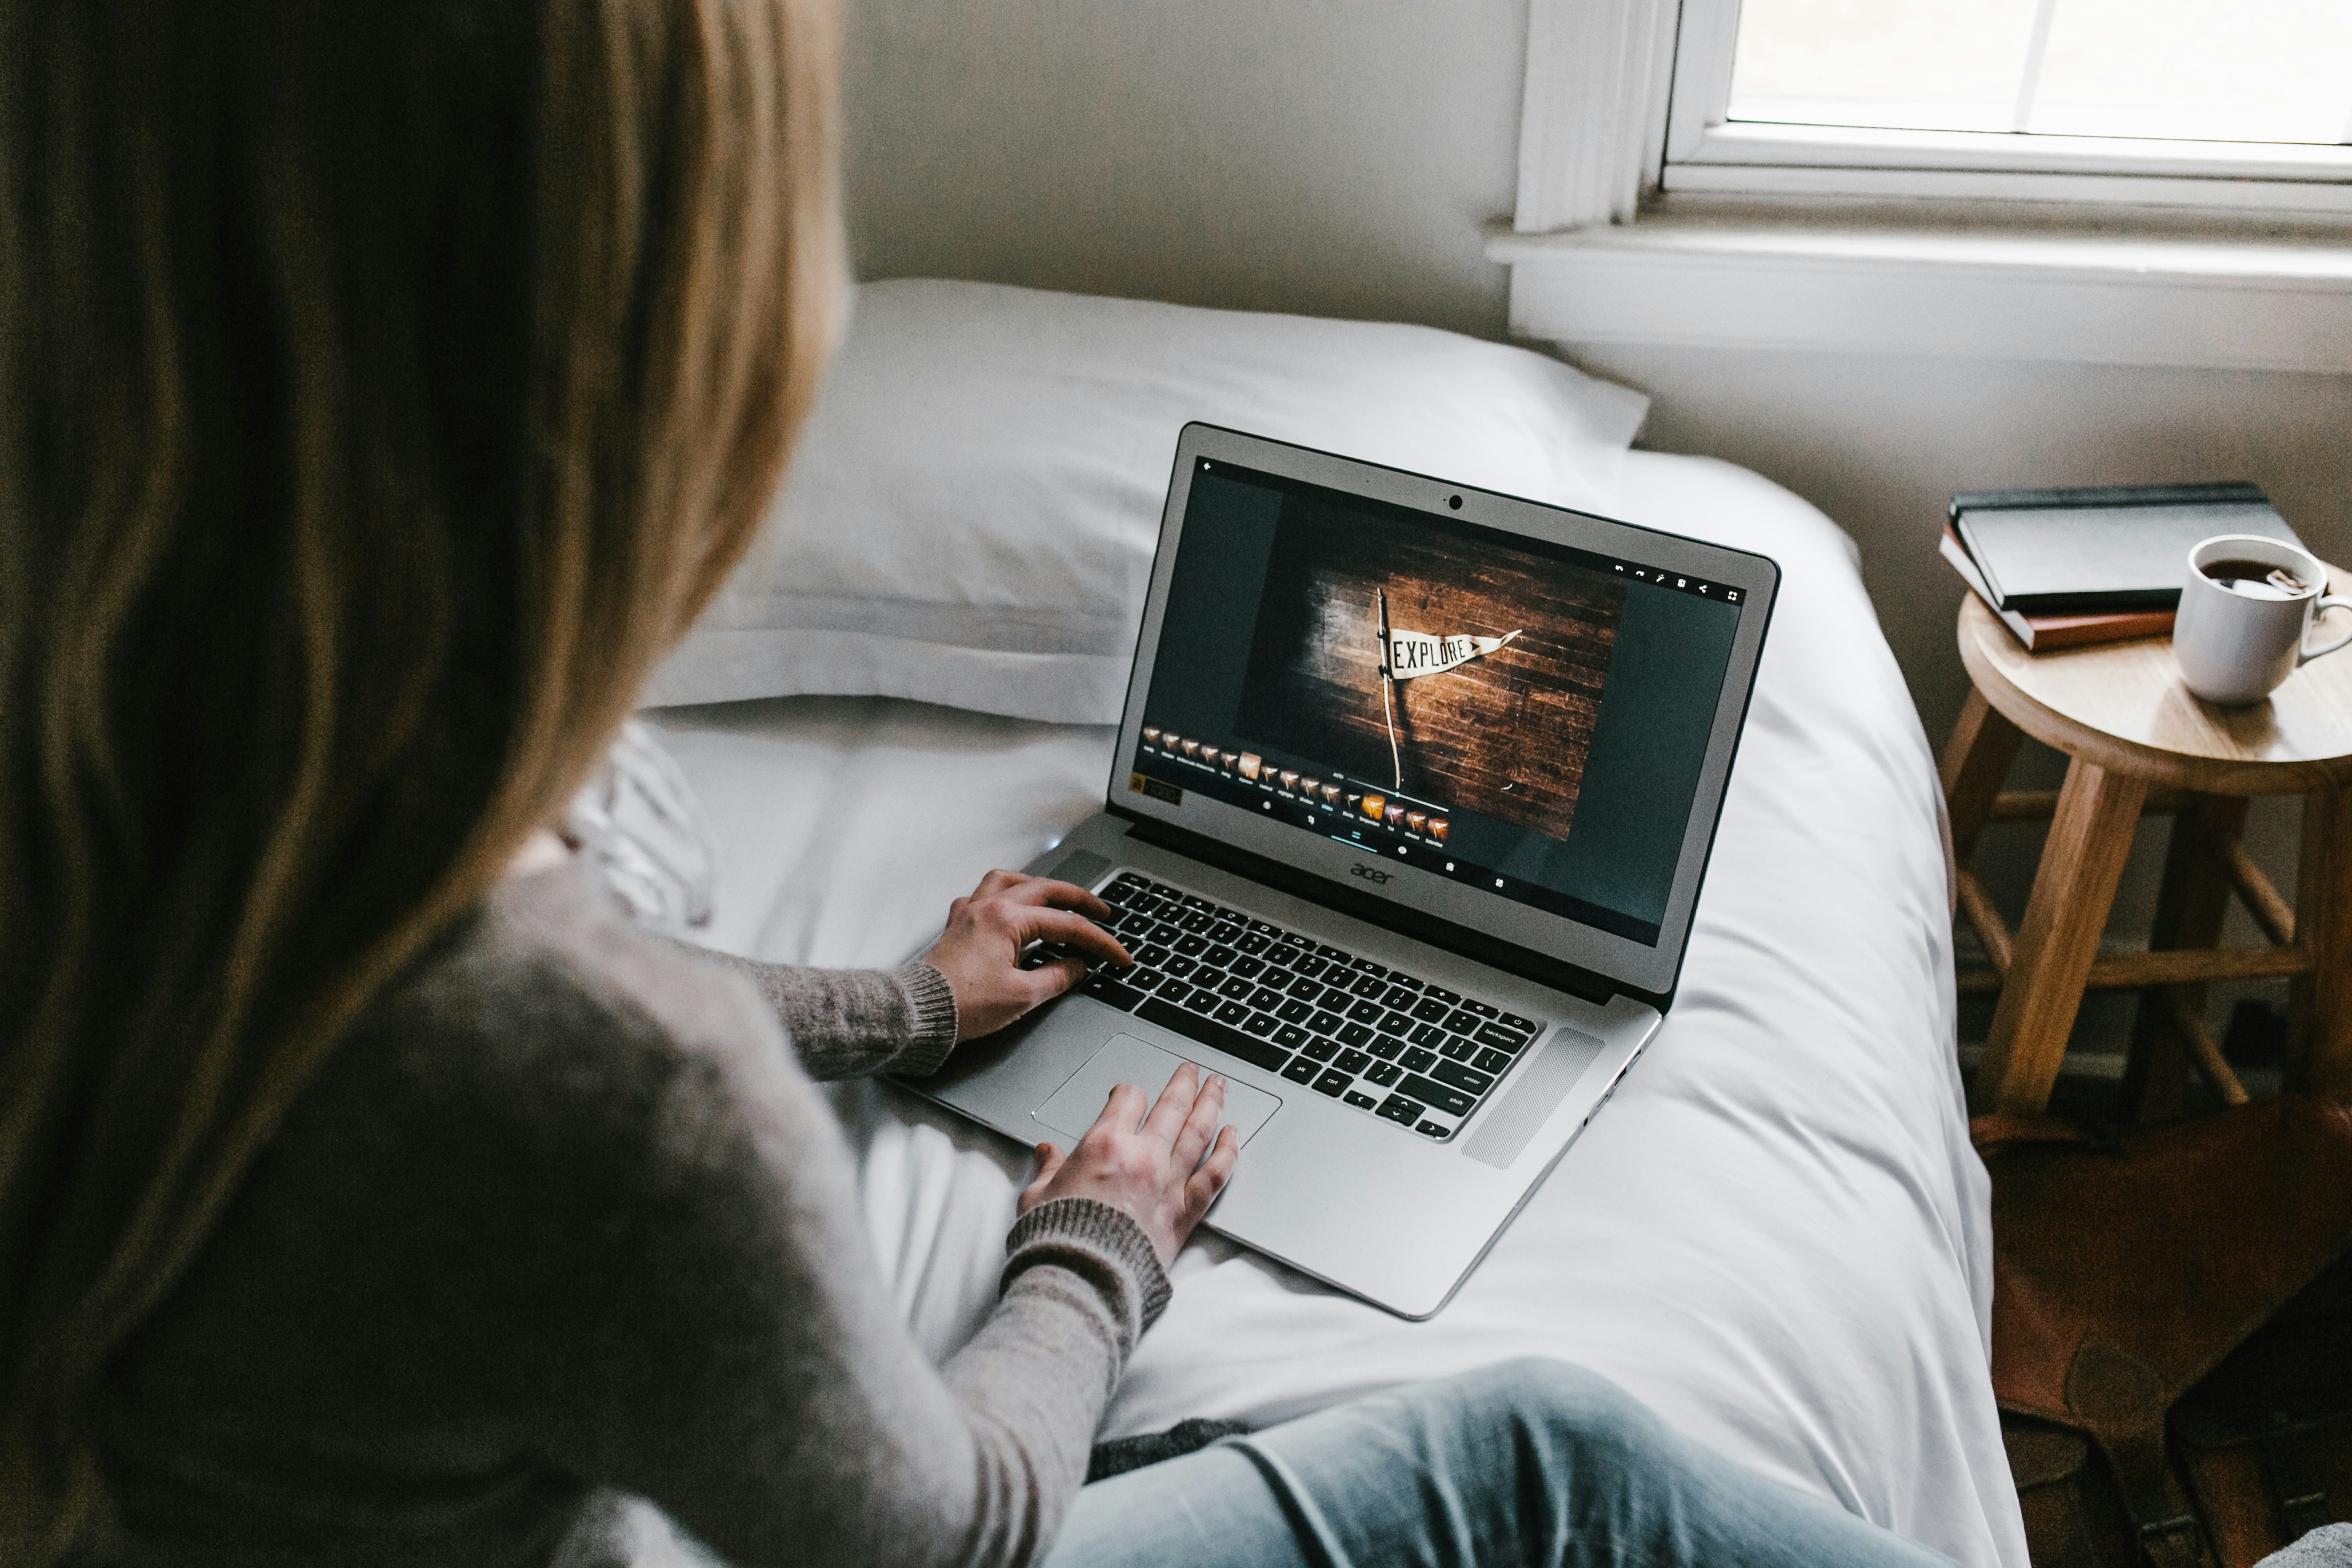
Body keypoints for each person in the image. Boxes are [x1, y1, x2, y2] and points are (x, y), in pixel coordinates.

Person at [0, 2, 1962, 1564]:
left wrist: (910, 1007)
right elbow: (954, 1527)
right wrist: (1102, 1237)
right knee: (1552, 1467)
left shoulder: (132, 799)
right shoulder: (618, 1100)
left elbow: (424, 1018)